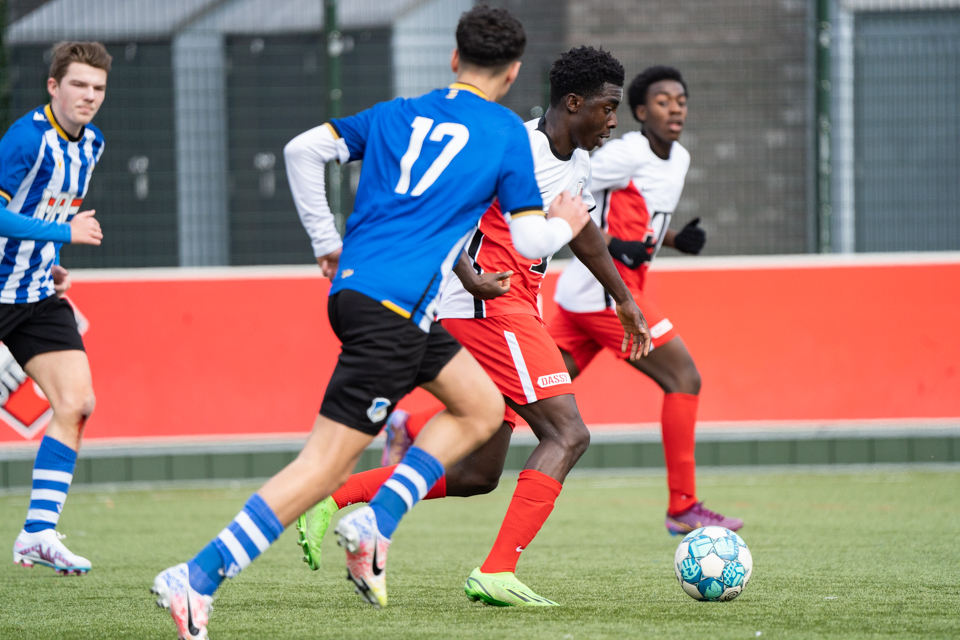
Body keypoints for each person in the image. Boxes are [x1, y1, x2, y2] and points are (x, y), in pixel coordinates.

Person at [152, 6, 596, 636]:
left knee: (479, 408)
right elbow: (529, 242)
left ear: (454, 59)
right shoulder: (504, 132)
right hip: (395, 308)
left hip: (379, 299)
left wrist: (324, 242)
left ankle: (376, 518)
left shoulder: (397, 113)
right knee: (322, 467)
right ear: (513, 72)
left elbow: (302, 150)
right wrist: (567, 224)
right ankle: (197, 579)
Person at [296, 46, 651, 608]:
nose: (613, 121)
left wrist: (623, 298)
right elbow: (448, 207)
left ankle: (333, 496)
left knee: (478, 473)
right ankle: (497, 571)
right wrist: (469, 273)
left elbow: (580, 229)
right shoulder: (517, 147)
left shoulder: (578, 161)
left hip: (513, 307)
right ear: (574, 102)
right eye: (608, 109)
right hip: (487, 307)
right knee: (568, 434)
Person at [550, 65, 743, 535]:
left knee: (535, 387)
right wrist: (614, 245)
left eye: (681, 101)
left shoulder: (679, 159)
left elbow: (641, 219)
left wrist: (674, 239)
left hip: (592, 294)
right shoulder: (624, 153)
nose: (675, 109)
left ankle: (414, 429)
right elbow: (566, 198)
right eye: (662, 101)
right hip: (605, 294)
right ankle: (683, 506)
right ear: (639, 111)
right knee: (683, 377)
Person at [3, 41, 109, 576]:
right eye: (78, 85)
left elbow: (45, 205)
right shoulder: (27, 138)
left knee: (77, 403)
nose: (89, 96)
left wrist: (51, 258)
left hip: (36, 293)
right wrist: (63, 233)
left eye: (98, 88)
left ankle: (38, 534)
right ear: (53, 86)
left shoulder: (93, 144)